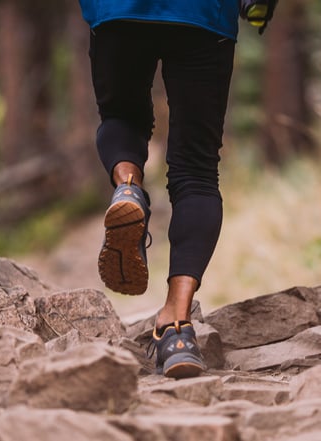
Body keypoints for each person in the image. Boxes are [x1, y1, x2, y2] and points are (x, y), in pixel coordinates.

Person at [77, 1, 259, 379]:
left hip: (118, 10)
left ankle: (128, 186)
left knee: (121, 117)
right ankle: (176, 327)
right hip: (204, 15)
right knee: (197, 169)